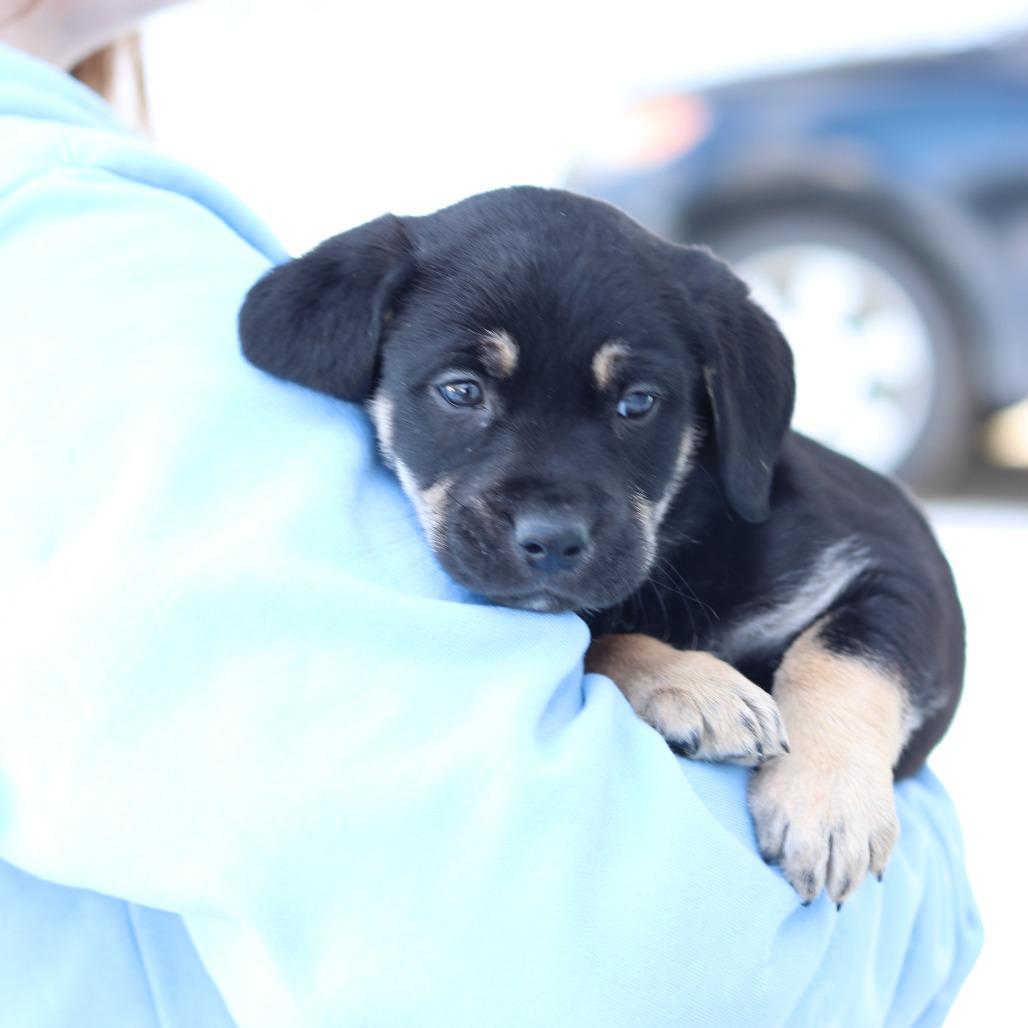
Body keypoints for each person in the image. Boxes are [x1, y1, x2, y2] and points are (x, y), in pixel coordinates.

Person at [0, 2, 982, 1024]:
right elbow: (605, 952)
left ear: (712, 396)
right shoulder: (80, 255)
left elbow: (893, 574)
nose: (547, 513)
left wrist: (841, 729)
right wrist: (927, 889)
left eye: (632, 406)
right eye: (465, 393)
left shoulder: (769, 525)